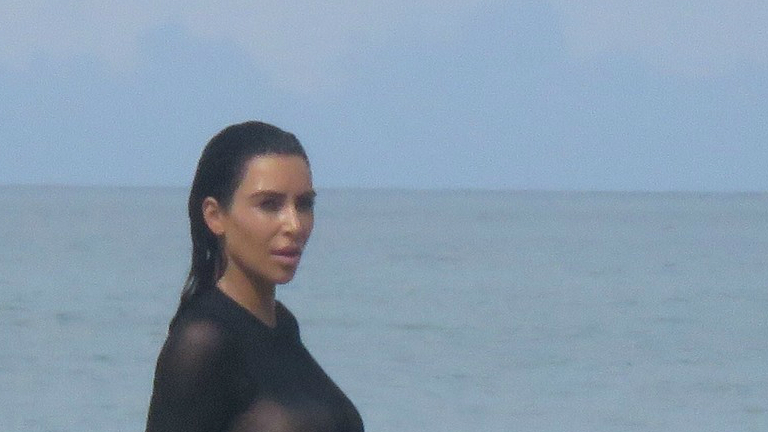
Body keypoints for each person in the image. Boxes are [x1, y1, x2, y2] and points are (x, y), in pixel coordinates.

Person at [145, 121, 364, 432]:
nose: (294, 225)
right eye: (269, 205)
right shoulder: (202, 342)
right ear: (215, 216)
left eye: (304, 204)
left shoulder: (282, 324)